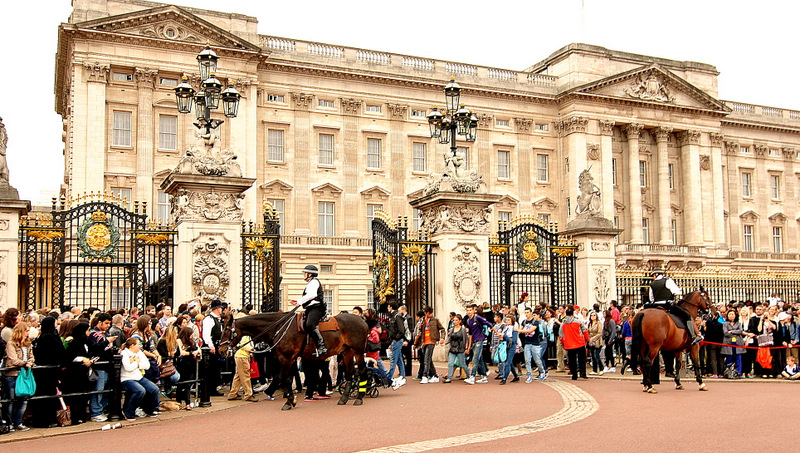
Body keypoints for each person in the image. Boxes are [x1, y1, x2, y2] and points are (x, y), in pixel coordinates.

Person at [648, 267, 702, 345]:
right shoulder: (668, 280)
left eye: (653, 275)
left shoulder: (652, 284)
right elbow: (677, 292)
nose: (653, 277)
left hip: (656, 305)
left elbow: (651, 298)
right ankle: (693, 336)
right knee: (687, 316)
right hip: (668, 305)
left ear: (656, 274)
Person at [31, 316, 65, 428]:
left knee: (49, 395)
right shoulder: (49, 337)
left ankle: (48, 419)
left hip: (48, 370)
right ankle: (44, 420)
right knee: (46, 395)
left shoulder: (46, 336)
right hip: (47, 371)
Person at [290, 264, 328, 357]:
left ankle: (322, 346)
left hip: (317, 308)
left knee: (309, 324)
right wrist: (299, 301)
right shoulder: (310, 283)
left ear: (310, 274)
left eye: (305, 273)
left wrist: (300, 301)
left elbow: (312, 295)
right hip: (311, 308)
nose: (304, 275)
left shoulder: (314, 282)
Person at [3, 322, 35, 431]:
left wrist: (30, 362)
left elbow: (32, 356)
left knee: (23, 399)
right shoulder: (11, 343)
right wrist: (24, 363)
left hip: (24, 373)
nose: (28, 333)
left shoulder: (28, 343)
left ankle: (18, 421)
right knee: (11, 400)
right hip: (12, 374)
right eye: (26, 331)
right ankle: (10, 422)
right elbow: (13, 359)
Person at [119, 337, 161, 421]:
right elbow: (128, 368)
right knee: (140, 391)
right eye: (138, 344)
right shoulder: (124, 353)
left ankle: (148, 409)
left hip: (138, 377)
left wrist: (135, 363)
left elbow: (147, 365)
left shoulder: (139, 352)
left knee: (154, 389)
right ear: (132, 345)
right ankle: (128, 412)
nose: (140, 346)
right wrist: (137, 362)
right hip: (127, 379)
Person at [87, 312, 117, 422]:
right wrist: (107, 342)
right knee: (98, 390)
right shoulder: (93, 334)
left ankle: (102, 409)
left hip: (107, 365)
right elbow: (95, 348)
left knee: (106, 390)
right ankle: (96, 412)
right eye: (106, 323)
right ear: (100, 322)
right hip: (99, 366)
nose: (108, 325)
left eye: (109, 323)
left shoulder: (106, 333)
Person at [63, 322, 93, 425]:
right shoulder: (74, 343)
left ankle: (82, 416)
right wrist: (83, 359)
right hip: (75, 374)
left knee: (83, 396)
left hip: (83, 373)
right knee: (76, 396)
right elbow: (70, 357)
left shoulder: (86, 342)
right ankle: (76, 417)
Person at [463, 303, 493, 384]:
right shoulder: (468, 321)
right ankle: (484, 376)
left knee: (475, 359)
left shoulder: (477, 317)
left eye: (470, 310)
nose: (469, 312)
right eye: (468, 310)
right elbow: (470, 334)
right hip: (474, 341)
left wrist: (495, 331)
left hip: (480, 340)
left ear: (473, 311)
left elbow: (488, 323)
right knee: (480, 359)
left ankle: (472, 376)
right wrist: (469, 346)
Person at [414, 306, 445, 383]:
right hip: (424, 341)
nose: (430, 314)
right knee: (428, 359)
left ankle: (425, 375)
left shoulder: (435, 320)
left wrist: (442, 338)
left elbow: (442, 329)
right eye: (429, 313)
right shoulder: (422, 321)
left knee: (426, 359)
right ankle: (434, 375)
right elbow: (419, 332)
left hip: (431, 341)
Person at [516, 307, 546, 382]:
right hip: (527, 343)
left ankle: (542, 371)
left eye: (528, 312)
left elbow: (530, 330)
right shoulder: (524, 321)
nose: (526, 314)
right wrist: (517, 330)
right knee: (527, 360)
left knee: (537, 360)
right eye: (525, 313)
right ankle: (529, 375)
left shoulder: (535, 322)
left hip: (535, 343)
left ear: (531, 313)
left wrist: (520, 330)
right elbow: (520, 330)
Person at [201, 300, 225, 395]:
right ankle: (209, 389)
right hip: (211, 346)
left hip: (216, 345)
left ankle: (213, 388)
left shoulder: (217, 319)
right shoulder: (209, 319)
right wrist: (210, 345)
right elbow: (206, 334)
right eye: (221, 308)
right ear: (217, 308)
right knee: (210, 368)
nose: (221, 310)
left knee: (215, 368)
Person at [559, 306, 589, 380]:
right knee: (582, 359)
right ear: (573, 313)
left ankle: (574, 374)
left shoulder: (563, 322)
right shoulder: (578, 321)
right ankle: (583, 373)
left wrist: (562, 342)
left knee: (572, 360)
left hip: (569, 344)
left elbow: (561, 334)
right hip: (579, 342)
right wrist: (588, 339)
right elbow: (584, 330)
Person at [228, 331, 258, 402]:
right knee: (246, 376)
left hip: (241, 355)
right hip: (242, 356)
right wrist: (251, 349)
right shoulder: (244, 335)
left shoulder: (244, 334)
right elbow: (241, 344)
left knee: (238, 376)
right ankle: (248, 394)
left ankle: (233, 394)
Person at [386, 302, 407, 388]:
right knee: (399, 360)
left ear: (391, 307)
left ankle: (389, 377)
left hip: (397, 340)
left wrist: (395, 339)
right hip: (395, 340)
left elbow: (401, 330)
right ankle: (403, 376)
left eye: (388, 307)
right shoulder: (394, 316)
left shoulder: (397, 316)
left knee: (393, 360)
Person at [444, 314, 467, 383]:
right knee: (452, 363)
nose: (454, 321)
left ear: (460, 321)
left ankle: (467, 375)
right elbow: (449, 338)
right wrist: (445, 342)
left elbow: (465, 339)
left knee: (461, 363)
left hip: (460, 348)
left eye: (456, 320)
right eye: (453, 320)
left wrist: (466, 348)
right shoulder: (452, 329)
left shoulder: (463, 329)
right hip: (453, 348)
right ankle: (449, 377)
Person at [721, 309, 744, 377]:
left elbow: (740, 331)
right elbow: (725, 333)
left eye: (732, 314)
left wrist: (732, 331)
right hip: (728, 343)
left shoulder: (738, 323)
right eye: (730, 314)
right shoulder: (725, 324)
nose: (731, 316)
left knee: (738, 358)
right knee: (729, 358)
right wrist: (735, 332)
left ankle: (738, 373)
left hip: (738, 343)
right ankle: (728, 372)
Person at [602, 309, 617, 373]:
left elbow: (613, 331)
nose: (603, 315)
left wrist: (610, 340)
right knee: (607, 353)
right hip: (606, 338)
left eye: (604, 314)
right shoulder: (605, 321)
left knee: (610, 353)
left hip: (610, 339)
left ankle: (612, 366)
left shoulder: (611, 321)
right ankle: (607, 365)